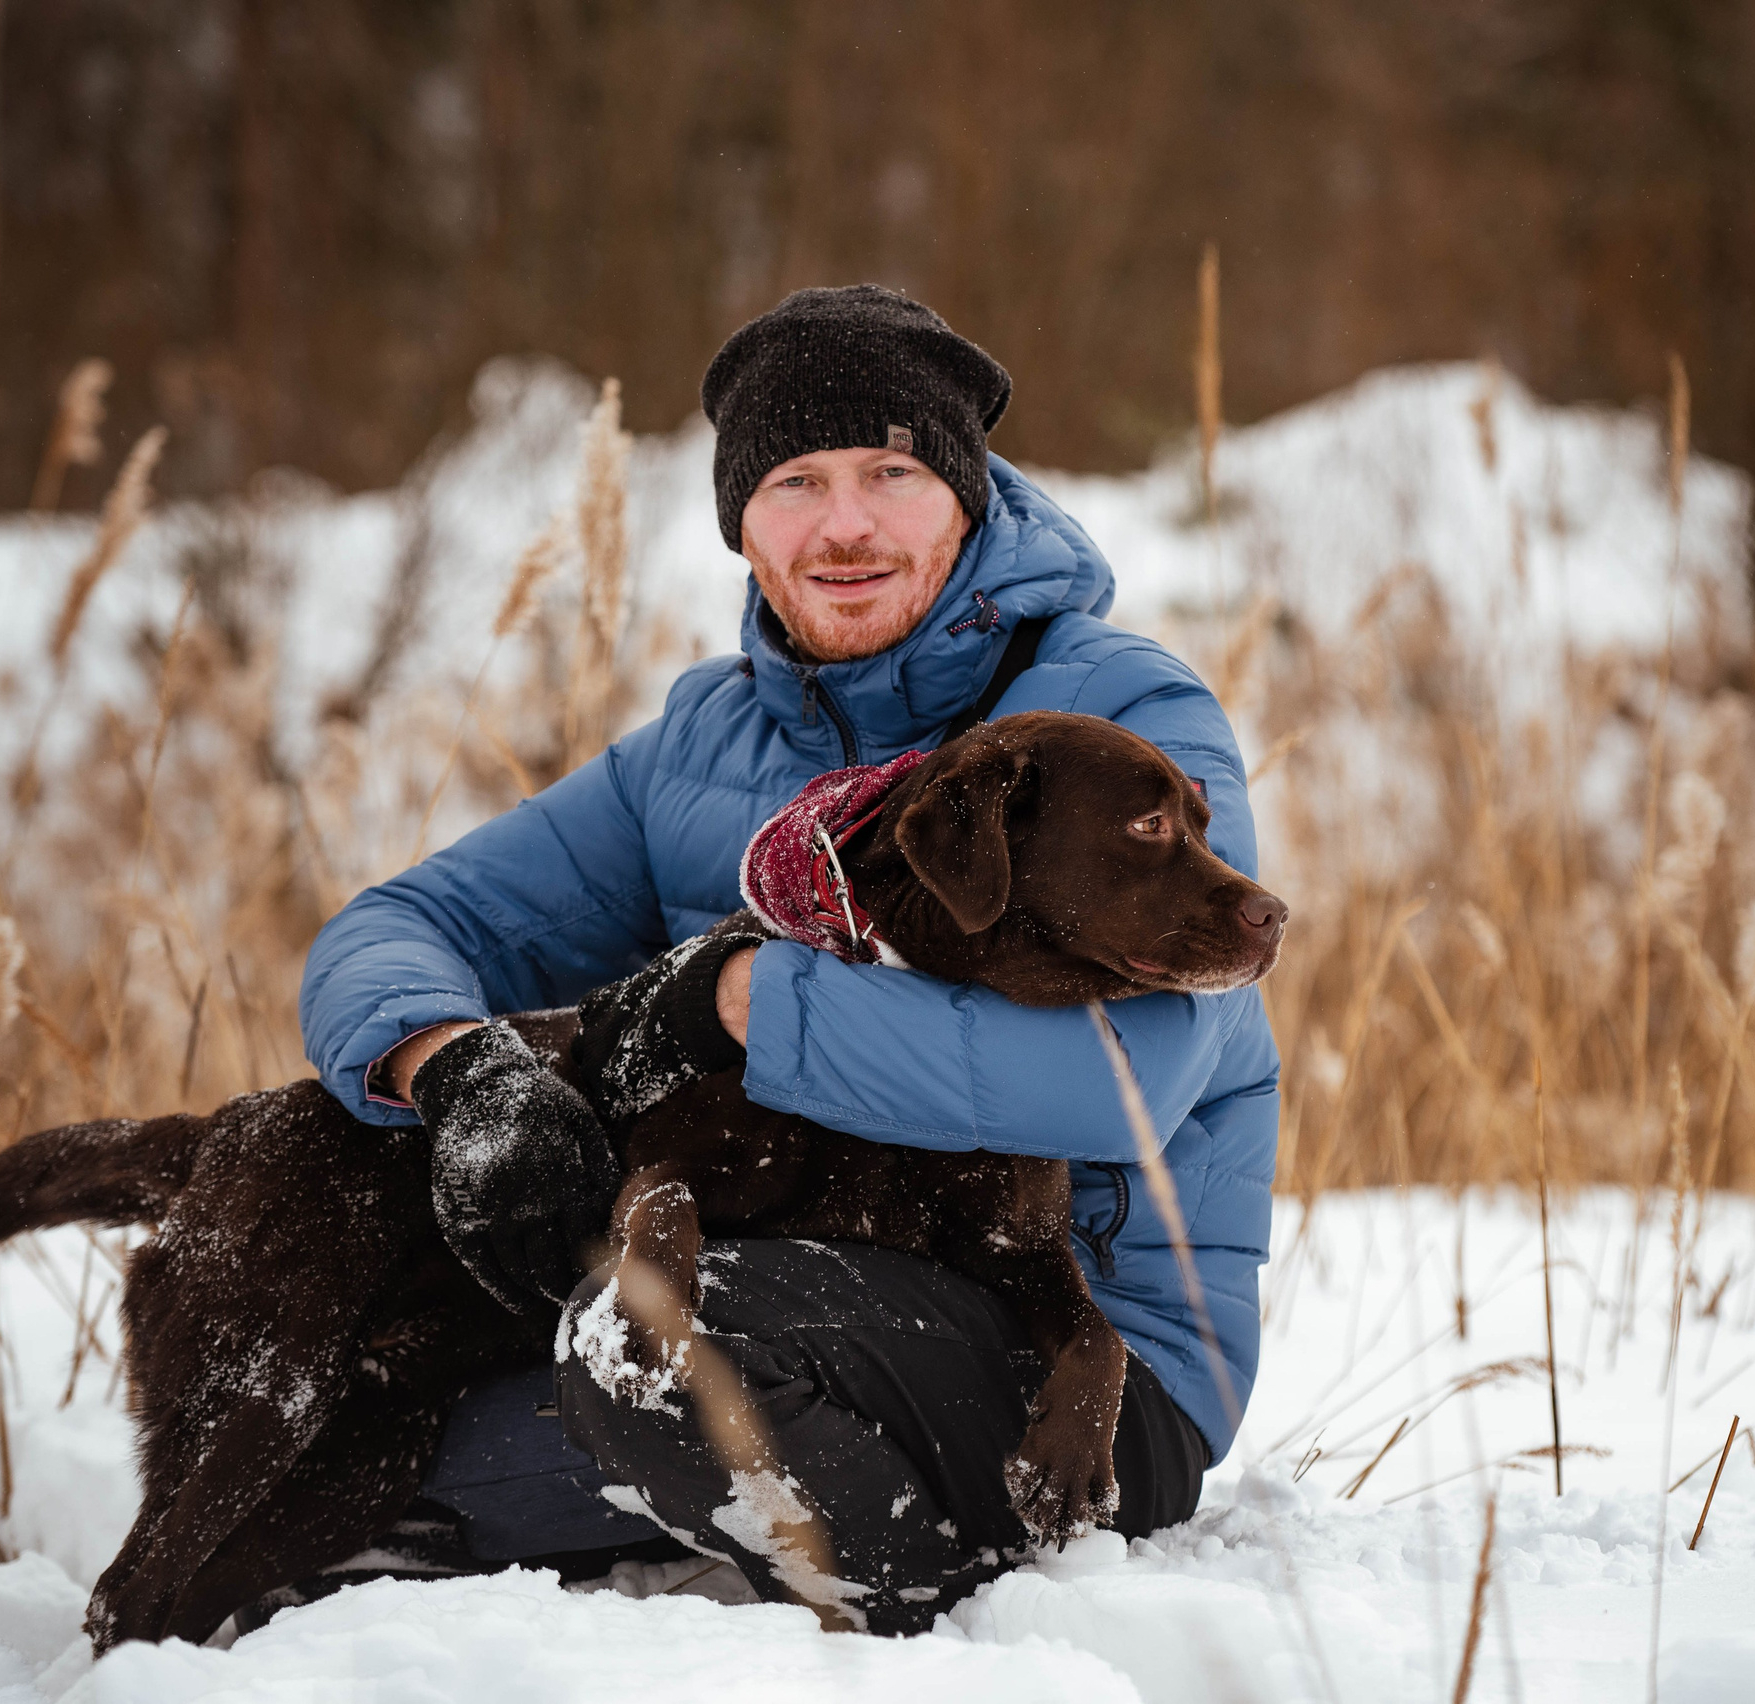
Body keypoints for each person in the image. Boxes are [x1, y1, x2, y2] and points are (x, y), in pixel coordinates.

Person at [293, 285, 1280, 1633]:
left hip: (1081, 1362)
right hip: (801, 1291)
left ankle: (947, 1642)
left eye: (894, 472)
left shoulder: (1113, 715)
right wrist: (452, 1066)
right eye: (798, 481)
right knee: (343, 1452)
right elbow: (392, 929)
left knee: (647, 1349)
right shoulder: (697, 752)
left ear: (969, 498)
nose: (847, 523)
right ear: (741, 524)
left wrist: (745, 998)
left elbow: (1119, 1084)